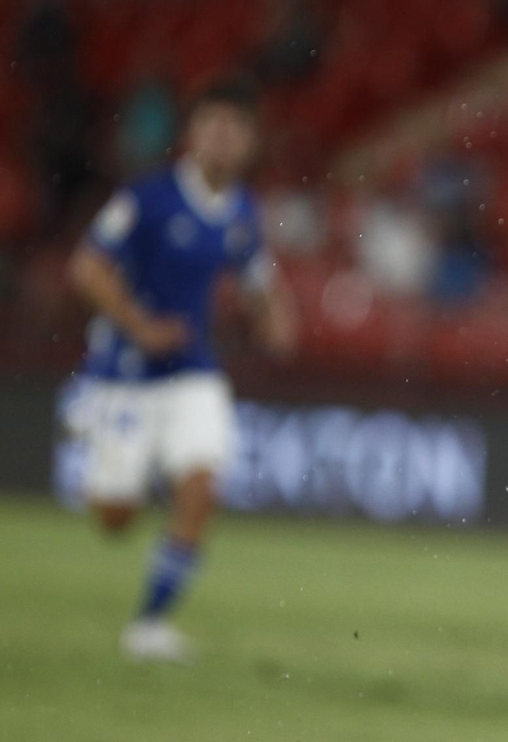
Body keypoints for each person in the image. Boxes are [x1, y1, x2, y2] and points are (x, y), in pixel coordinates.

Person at [66, 76, 298, 662]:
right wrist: (139, 325)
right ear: (191, 135)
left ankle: (149, 625)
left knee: (202, 482)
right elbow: (87, 268)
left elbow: (256, 274)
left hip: (193, 368)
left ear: (249, 141)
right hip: (124, 372)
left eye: (234, 129)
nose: (222, 140)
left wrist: (274, 317)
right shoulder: (148, 198)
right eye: (212, 126)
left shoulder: (243, 207)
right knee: (114, 518)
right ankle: (101, 431)